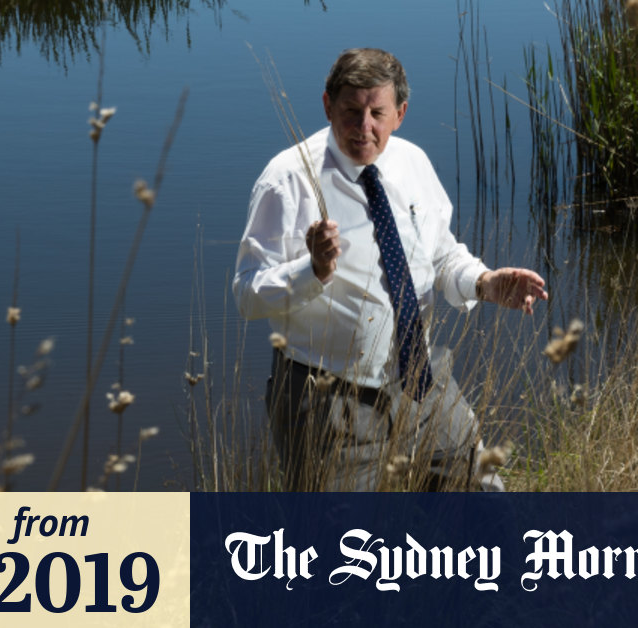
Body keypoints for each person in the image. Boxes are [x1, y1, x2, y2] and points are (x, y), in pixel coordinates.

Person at [233, 48, 548, 491]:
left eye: (377, 113)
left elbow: (439, 254)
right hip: (328, 400)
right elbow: (246, 295)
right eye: (350, 111)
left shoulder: (411, 163)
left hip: (419, 378)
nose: (364, 128)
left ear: (399, 113)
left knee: (478, 490)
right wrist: (313, 269)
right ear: (327, 105)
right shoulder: (287, 181)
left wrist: (485, 282)